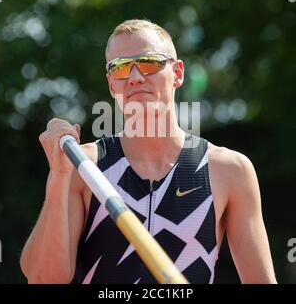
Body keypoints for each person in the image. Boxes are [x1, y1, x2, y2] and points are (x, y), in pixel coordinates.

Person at [20, 19, 277, 284]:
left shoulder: (229, 170)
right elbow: (43, 278)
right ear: (111, 84)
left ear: (177, 73)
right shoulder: (84, 166)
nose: (134, 77)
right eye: (119, 68)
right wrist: (58, 178)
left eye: (149, 62)